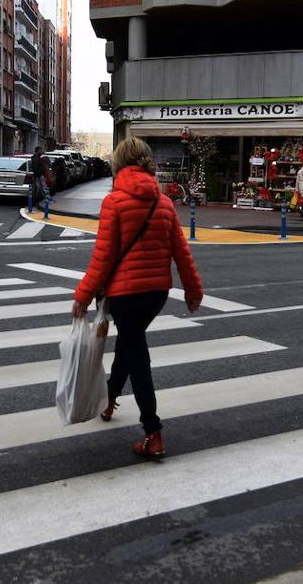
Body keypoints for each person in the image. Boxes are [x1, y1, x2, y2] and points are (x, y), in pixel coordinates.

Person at [72, 136, 203, 459]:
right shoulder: (164, 203)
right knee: (131, 343)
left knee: (136, 354)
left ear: (118, 163)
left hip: (125, 294)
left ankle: (152, 432)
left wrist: (83, 296)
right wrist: (192, 290)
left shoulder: (114, 201)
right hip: (156, 292)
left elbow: (102, 257)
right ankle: (110, 399)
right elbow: (181, 253)